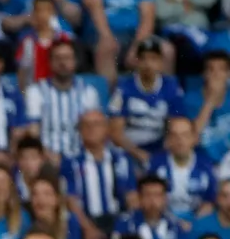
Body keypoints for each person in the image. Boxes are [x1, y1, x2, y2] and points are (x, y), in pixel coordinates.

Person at [60, 108, 138, 239]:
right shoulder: (71, 161)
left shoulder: (121, 159)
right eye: (86, 125)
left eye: (97, 124)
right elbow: (70, 199)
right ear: (80, 131)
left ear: (107, 128)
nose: (91, 129)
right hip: (86, 223)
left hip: (116, 222)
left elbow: (132, 198)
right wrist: (88, 228)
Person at [107, 36, 182, 167]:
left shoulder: (171, 87)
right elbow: (115, 132)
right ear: (136, 62)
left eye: (153, 58)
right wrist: (139, 154)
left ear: (161, 62)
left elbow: (177, 125)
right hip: (129, 149)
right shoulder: (124, 87)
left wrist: (158, 157)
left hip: (159, 148)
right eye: (143, 58)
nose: (148, 64)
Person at [25, 38, 100, 161]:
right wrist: (49, 157)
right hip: (47, 159)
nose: (62, 63)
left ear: (75, 61)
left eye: (67, 58)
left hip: (82, 160)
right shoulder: (36, 92)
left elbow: (94, 131)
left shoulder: (88, 92)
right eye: (58, 58)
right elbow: (33, 133)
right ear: (50, 62)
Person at [111, 173, 184, 239]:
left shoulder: (175, 224)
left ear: (165, 198)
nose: (152, 200)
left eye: (157, 195)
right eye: (148, 195)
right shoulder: (124, 223)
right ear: (139, 198)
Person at [148, 117, 218, 220]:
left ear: (194, 138)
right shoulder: (156, 164)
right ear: (168, 139)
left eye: (185, 135)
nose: (180, 140)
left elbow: (212, 200)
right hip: (165, 221)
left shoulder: (206, 164)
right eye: (174, 135)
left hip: (196, 222)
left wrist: (197, 220)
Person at [26, 174, 85, 239]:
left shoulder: (70, 222)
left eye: (47, 194)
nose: (40, 199)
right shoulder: (27, 222)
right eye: (35, 194)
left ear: (57, 199)